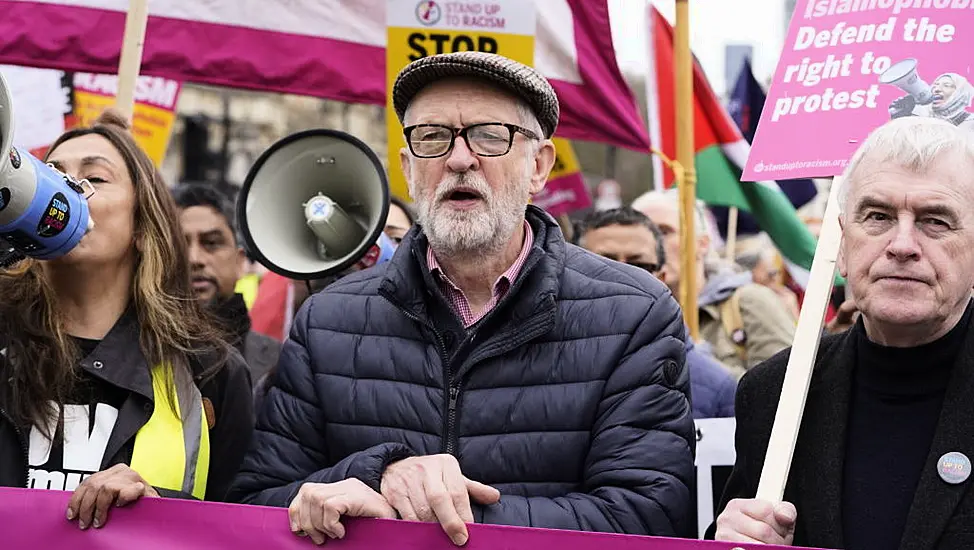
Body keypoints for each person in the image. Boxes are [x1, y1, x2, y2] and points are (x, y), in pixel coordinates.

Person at [230, 51, 695, 546]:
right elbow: (256, 503)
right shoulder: (327, 321)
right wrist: (373, 475)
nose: (458, 159)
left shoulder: (634, 315)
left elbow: (649, 518)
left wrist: (439, 519)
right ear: (408, 168)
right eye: (432, 137)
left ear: (539, 167)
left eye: (490, 135)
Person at [711, 116, 974, 549]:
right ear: (842, 243)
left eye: (935, 221)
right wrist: (734, 541)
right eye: (877, 216)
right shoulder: (773, 395)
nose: (902, 244)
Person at [0, 110, 254, 531]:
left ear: (142, 223)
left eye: (95, 179)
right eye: (49, 174)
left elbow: (242, 523)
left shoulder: (209, 369)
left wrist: (157, 512)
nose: (63, 189)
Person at [575, 206, 736, 418]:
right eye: (604, 264)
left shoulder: (717, 387)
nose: (622, 278)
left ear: (661, 278)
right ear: (574, 273)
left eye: (638, 265)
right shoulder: (537, 366)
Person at [633, 190, 796, 378]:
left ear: (702, 244)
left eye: (664, 232)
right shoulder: (628, 317)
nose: (651, 244)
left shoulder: (750, 302)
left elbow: (784, 390)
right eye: (642, 234)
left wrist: (701, 364)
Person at [171, 182, 282, 385]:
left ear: (240, 262)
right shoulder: (137, 356)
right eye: (179, 245)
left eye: (211, 243)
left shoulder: (283, 360)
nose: (195, 259)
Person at [890, 72, 974, 130]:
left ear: (960, 93)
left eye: (946, 85)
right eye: (935, 85)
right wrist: (899, 118)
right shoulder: (919, 116)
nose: (936, 89)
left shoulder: (970, 121)